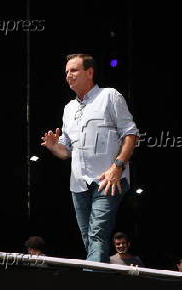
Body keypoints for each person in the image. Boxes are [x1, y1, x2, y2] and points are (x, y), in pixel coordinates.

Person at [41, 54, 139, 263]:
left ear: (90, 72)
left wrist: (118, 166)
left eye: (74, 70)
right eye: (67, 72)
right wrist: (53, 147)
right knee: (90, 238)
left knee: (97, 234)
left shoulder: (109, 96)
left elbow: (131, 134)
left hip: (108, 180)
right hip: (78, 185)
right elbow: (66, 152)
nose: (69, 75)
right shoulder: (69, 109)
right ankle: (104, 277)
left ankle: (90, 279)